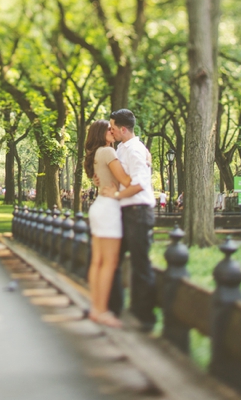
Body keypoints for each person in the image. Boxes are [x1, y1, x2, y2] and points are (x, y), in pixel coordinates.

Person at [99, 109, 157, 332]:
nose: (110, 129)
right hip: (124, 211)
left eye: (113, 126)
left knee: (140, 264)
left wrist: (115, 195)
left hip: (138, 211)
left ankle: (145, 316)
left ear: (123, 129)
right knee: (114, 260)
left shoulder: (135, 151)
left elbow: (139, 184)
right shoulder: (121, 148)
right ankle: (114, 308)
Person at [84, 120, 144, 328]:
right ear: (100, 133)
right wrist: (145, 160)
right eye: (108, 129)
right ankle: (101, 311)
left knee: (97, 261)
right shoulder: (108, 153)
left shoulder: (98, 153)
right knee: (109, 263)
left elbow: (101, 177)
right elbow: (127, 181)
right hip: (109, 208)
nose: (112, 131)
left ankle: (95, 308)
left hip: (99, 206)